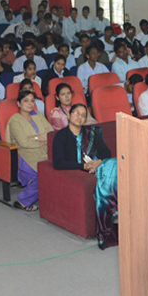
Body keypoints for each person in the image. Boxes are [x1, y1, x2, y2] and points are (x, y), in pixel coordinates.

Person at [53, 104, 118, 249]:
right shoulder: (61, 136)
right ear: (69, 115)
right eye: (76, 113)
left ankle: (114, 212)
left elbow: (106, 153)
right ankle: (107, 226)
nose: (79, 117)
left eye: (83, 115)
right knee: (110, 173)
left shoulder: (92, 133)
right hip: (79, 170)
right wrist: (83, 166)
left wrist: (98, 162)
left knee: (115, 162)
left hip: (98, 167)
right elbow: (58, 163)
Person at [7, 90, 51, 211]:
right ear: (19, 103)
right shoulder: (15, 120)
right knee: (44, 174)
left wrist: (34, 138)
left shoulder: (38, 115)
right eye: (26, 101)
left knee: (57, 170)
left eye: (32, 101)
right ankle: (23, 201)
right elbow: (24, 143)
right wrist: (40, 138)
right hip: (25, 155)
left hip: (44, 150)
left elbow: (50, 131)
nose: (30, 103)